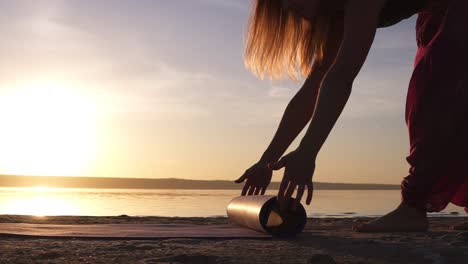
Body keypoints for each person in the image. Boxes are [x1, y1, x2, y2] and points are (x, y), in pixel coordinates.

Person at [235, 0, 468, 232]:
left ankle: (413, 209)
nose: (285, 7)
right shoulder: (335, 15)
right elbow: (313, 88)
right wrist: (266, 161)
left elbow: (342, 76)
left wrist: (307, 151)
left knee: (432, 91)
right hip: (442, 13)